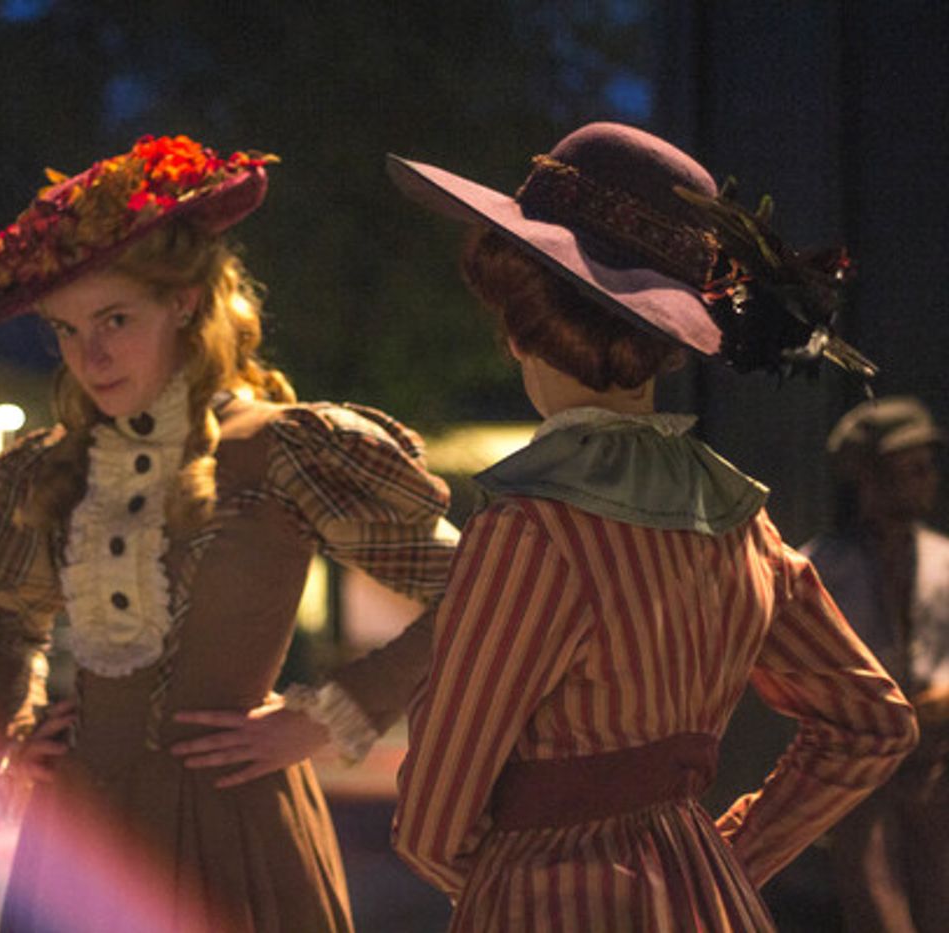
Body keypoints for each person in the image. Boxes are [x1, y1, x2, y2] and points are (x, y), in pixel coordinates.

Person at [387, 122, 919, 931]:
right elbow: (874, 723)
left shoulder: (532, 529)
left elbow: (433, 818)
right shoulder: (744, 522)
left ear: (525, 319)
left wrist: (511, 877)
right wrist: (719, 858)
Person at [0, 134, 457, 933]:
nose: (92, 354)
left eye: (115, 318)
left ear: (183, 302)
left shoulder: (281, 449)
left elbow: (474, 588)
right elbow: (7, 618)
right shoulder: (46, 470)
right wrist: (16, 720)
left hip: (235, 834)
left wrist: (328, 714)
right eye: (68, 329)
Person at [801, 396, 949, 931]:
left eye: (927, 465)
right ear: (867, 477)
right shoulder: (817, 571)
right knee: (878, 910)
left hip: (937, 771)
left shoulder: (943, 560)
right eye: (908, 468)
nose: (926, 477)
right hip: (862, 777)